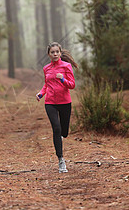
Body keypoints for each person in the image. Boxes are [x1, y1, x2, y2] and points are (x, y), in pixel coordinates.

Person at [36, 42, 78, 173]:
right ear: (49, 54)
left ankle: (61, 136)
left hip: (65, 102)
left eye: (57, 52)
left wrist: (63, 79)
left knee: (64, 132)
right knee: (56, 128)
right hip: (50, 103)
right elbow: (46, 84)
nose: (55, 54)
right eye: (52, 52)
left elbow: (72, 85)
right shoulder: (46, 68)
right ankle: (61, 160)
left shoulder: (66, 66)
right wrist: (41, 93)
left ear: (60, 53)